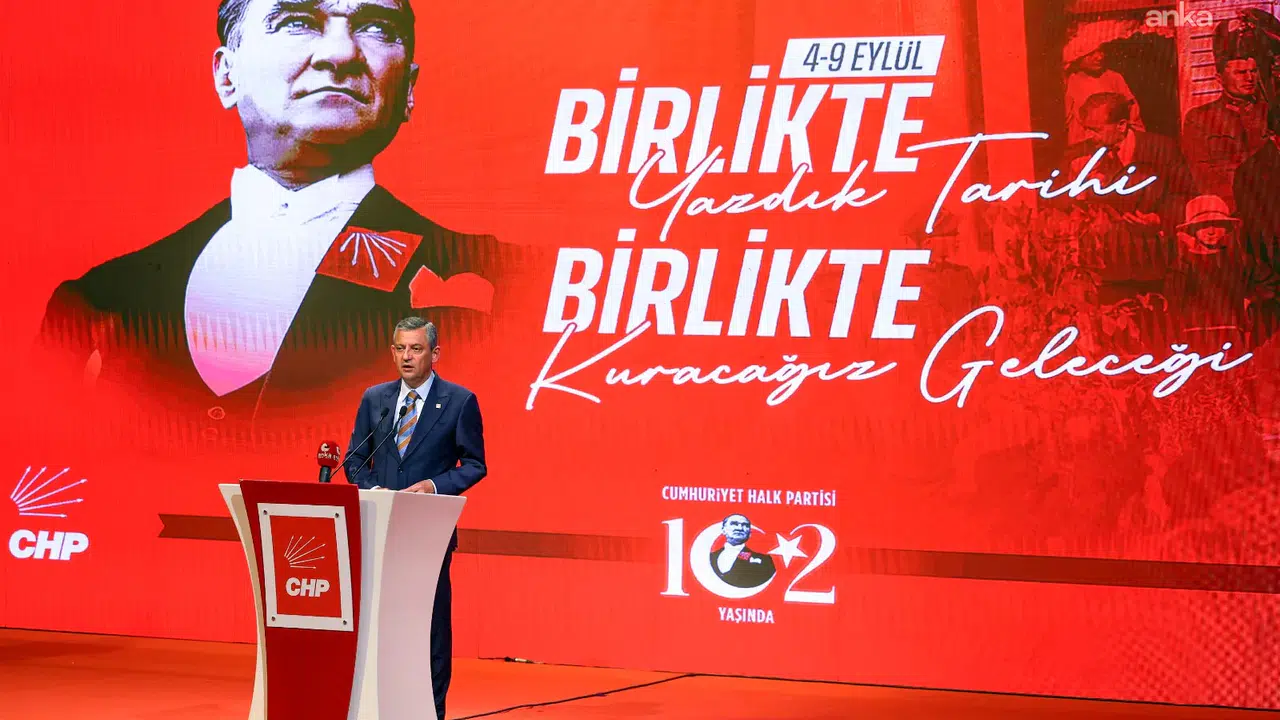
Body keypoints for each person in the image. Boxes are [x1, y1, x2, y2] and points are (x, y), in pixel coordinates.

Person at [34, 0, 520, 443]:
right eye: (296, 21)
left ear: (408, 88)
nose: (340, 54)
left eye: (376, 27)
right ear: (227, 76)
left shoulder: (503, 281)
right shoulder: (97, 302)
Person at [345, 315, 485, 720]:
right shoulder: (375, 399)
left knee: (430, 627)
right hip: (379, 530)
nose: (407, 357)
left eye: (416, 349)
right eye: (401, 349)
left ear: (434, 354)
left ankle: (430, 711)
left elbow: (474, 464)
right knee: (380, 625)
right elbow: (355, 459)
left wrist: (435, 486)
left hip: (428, 535)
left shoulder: (459, 401)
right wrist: (374, 490)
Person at [1182, 36, 1270, 210]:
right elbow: (1202, 173)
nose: (1249, 78)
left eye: (1253, 71)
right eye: (1240, 73)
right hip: (1231, 207)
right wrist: (1239, 204)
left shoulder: (1270, 113)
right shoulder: (1199, 118)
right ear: (1219, 78)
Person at [710, 514, 776, 589]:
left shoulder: (765, 560)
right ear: (723, 530)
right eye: (734, 524)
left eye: (745, 525)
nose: (740, 528)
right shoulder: (710, 558)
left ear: (750, 533)